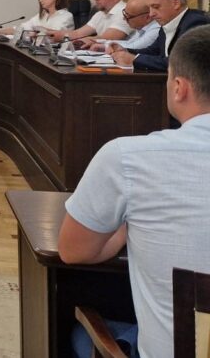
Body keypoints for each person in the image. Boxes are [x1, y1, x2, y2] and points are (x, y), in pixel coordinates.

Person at [59, 24, 210, 357]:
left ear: (179, 87)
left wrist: (129, 227)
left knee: (82, 331)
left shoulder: (128, 158)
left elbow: (74, 251)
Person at [109, 0, 210, 72]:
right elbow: (153, 51)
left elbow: (181, 62)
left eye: (156, 7)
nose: (151, 14)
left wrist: (134, 59)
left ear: (176, 3)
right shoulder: (167, 21)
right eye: (149, 8)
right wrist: (125, 51)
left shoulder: (195, 23)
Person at [46, 0, 132, 43]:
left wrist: (69, 39)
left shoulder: (125, 12)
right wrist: (54, 34)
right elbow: (78, 33)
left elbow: (106, 38)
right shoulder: (100, 14)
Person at [80, 0, 160, 52]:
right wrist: (99, 42)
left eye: (128, 16)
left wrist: (105, 45)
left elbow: (134, 47)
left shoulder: (156, 29)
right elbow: (129, 42)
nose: (124, 19)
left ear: (147, 17)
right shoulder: (142, 27)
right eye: (124, 14)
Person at [0, 0, 74, 35]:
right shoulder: (42, 15)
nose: (40, 0)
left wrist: (35, 32)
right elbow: (21, 28)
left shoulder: (66, 16)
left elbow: (54, 35)